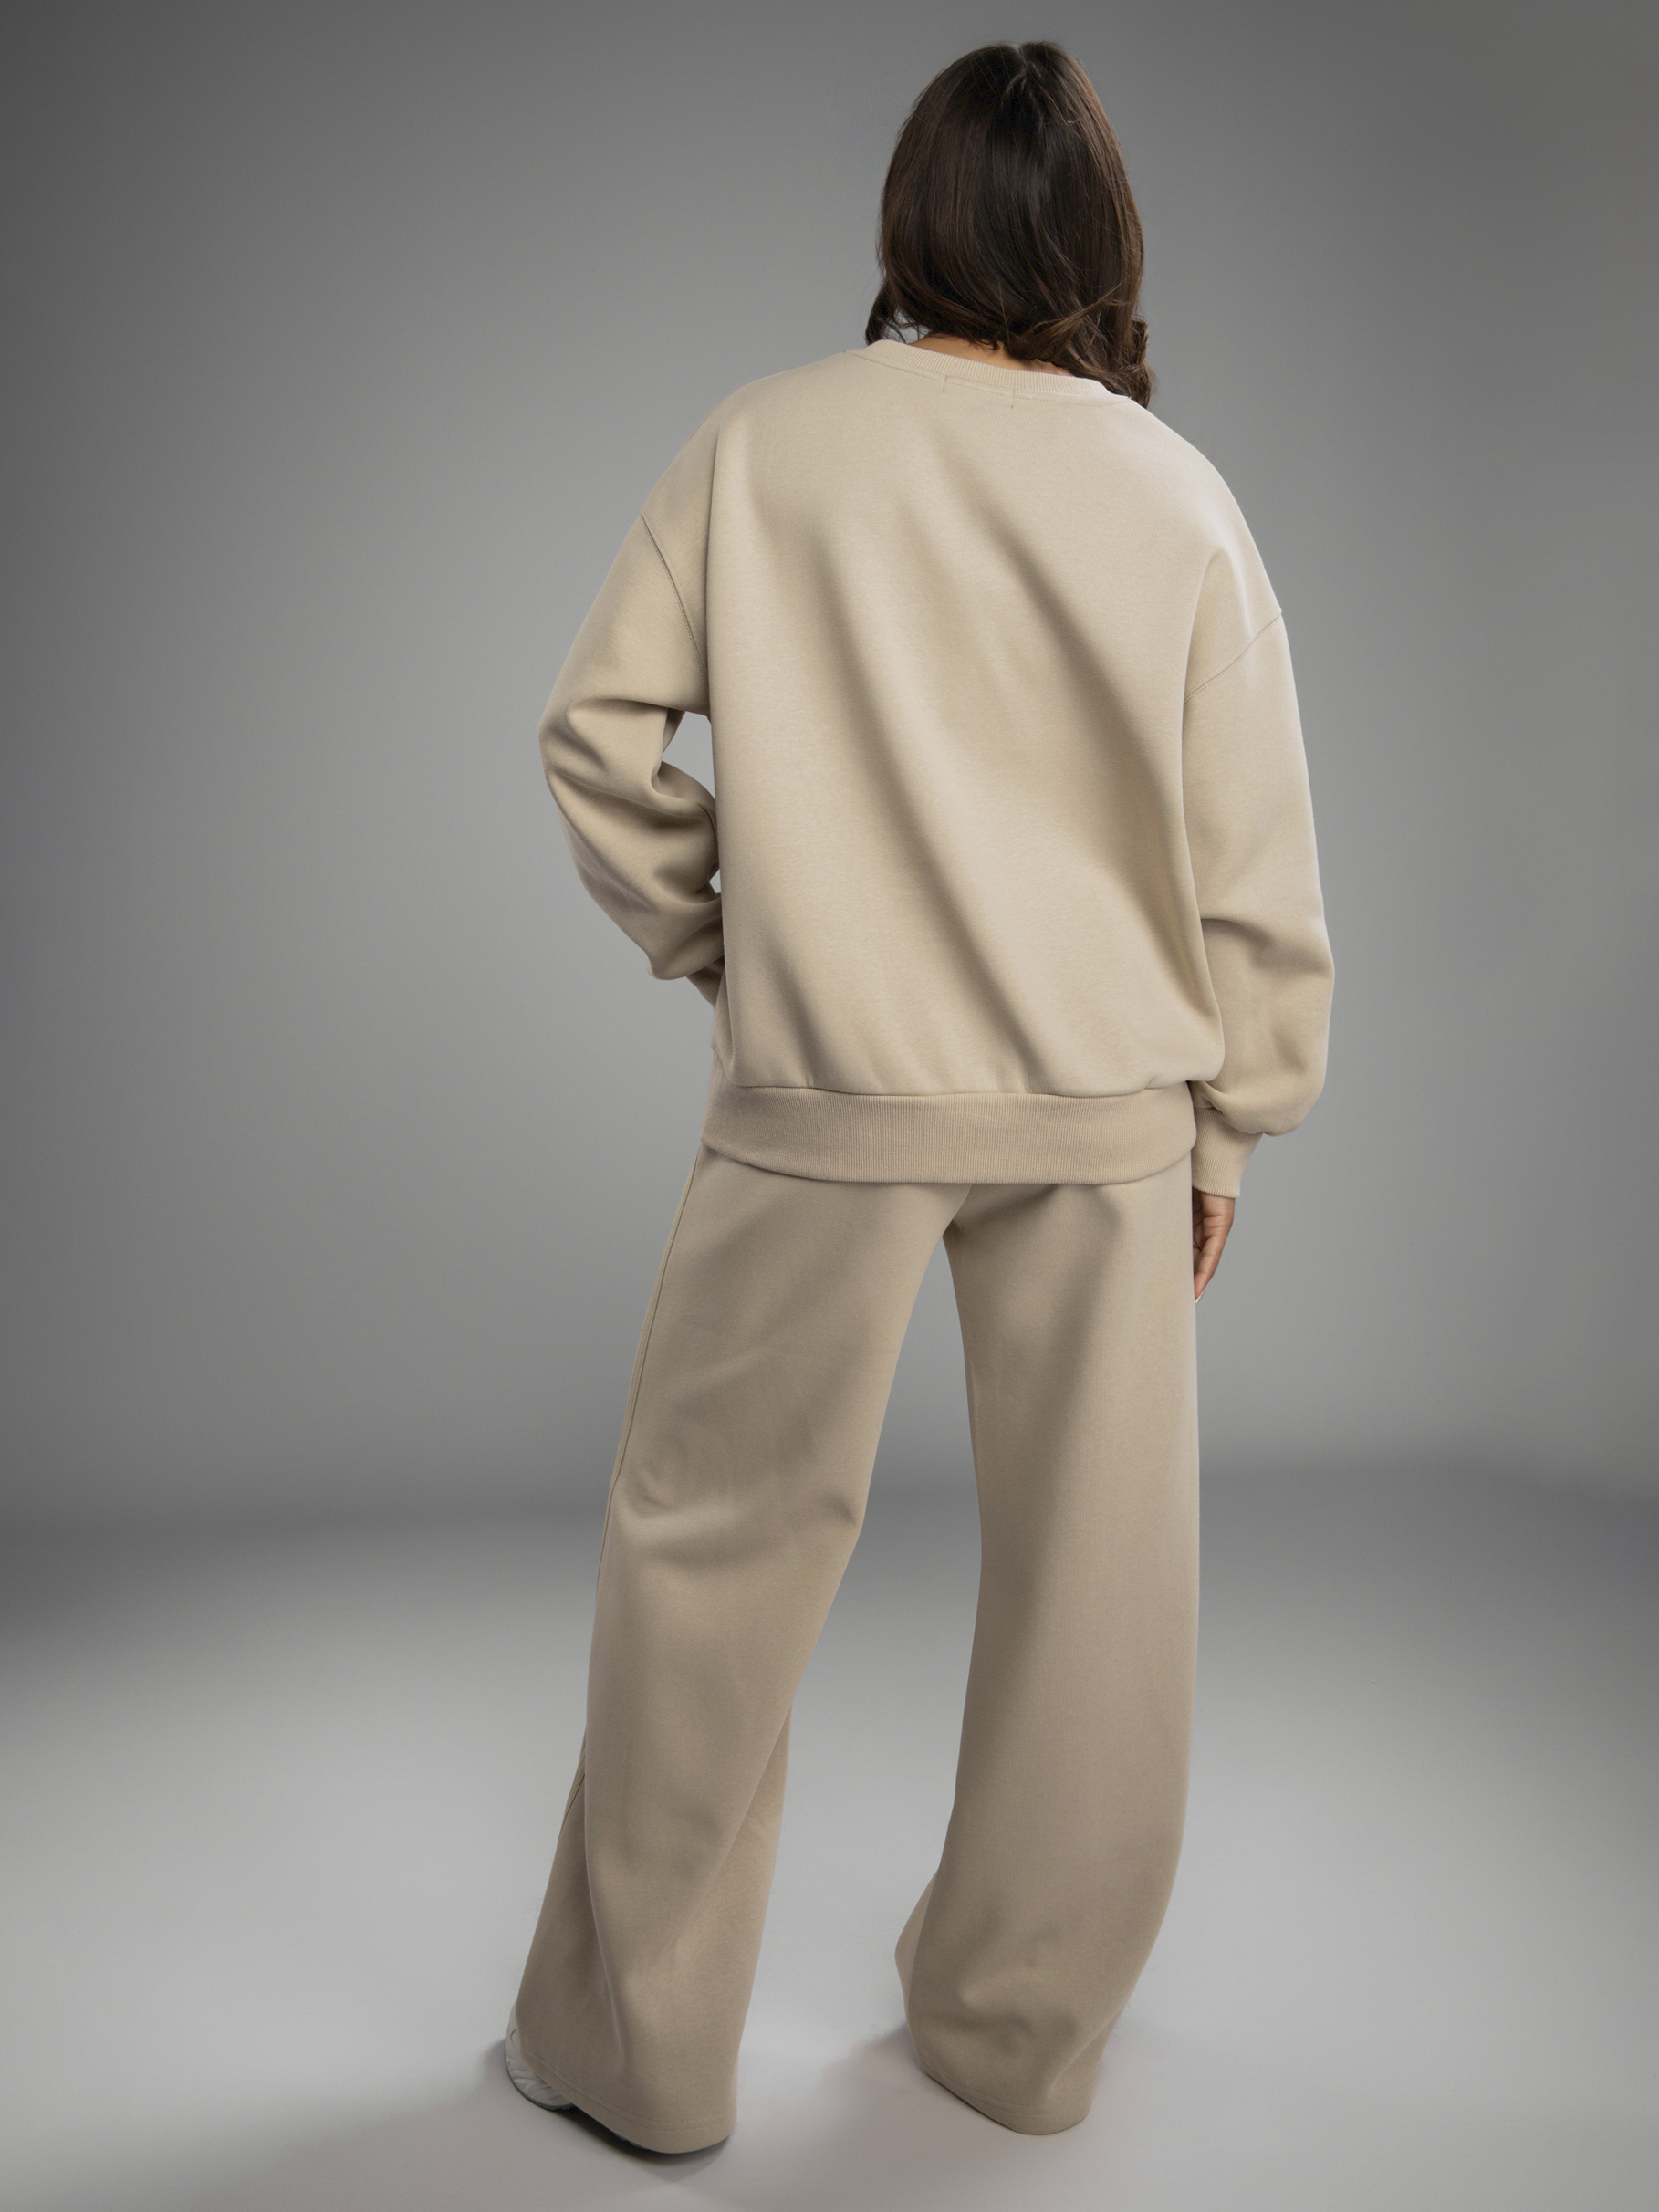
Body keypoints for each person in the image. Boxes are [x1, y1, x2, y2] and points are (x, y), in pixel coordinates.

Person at [504, 39, 1333, 2155]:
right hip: (1104, 1116)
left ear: (911, 221)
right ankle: (1014, 2036)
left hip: (825, 1094)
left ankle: (636, 2057)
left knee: (711, 1552)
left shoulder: (763, 444)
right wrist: (1231, 1127)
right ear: (1099, 237)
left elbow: (595, 740)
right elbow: (1257, 872)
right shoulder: (1176, 495)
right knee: (1099, 1597)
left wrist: (732, 943)